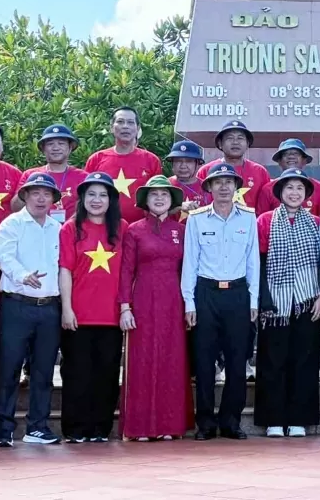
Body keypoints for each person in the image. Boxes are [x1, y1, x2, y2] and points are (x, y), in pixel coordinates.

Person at [182, 162, 259, 440]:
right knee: (204, 362)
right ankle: (205, 422)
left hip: (238, 294)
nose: (224, 187)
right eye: (218, 182)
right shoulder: (197, 219)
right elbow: (189, 263)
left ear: (236, 187)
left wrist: (254, 300)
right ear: (209, 188)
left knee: (238, 362)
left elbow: (253, 261)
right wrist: (189, 302)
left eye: (229, 182)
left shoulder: (248, 218)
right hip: (206, 294)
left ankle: (231, 421)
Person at [0, 172, 63, 446]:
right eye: (35, 193)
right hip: (17, 305)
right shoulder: (12, 224)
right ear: (25, 196)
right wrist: (23, 275)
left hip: (49, 308)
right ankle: (5, 429)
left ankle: (38, 426)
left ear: (54, 200)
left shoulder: (58, 228)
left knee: (44, 370)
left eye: (47, 194)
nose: (41, 198)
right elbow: (4, 256)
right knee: (9, 367)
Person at [119, 174, 191, 441]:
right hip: (143, 300)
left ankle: (169, 425)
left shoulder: (182, 230)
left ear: (172, 200)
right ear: (145, 201)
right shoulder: (134, 230)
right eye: (153, 194)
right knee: (142, 359)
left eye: (164, 194)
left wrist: (189, 305)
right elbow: (126, 271)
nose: (159, 198)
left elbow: (189, 269)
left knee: (172, 359)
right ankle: (139, 427)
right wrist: (125, 307)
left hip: (175, 299)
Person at [255, 170, 320, 437]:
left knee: (305, 360)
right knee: (273, 359)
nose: (294, 193)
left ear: (306, 194)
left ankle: (299, 418)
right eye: (289, 188)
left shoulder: (317, 222)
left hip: (308, 299)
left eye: (299, 188)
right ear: (280, 192)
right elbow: (258, 261)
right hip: (276, 303)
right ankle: (273, 418)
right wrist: (263, 298)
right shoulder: (265, 221)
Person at [58, 170, 123, 443]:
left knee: (107, 374)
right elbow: (64, 271)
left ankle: (100, 428)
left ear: (111, 200)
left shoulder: (122, 229)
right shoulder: (70, 229)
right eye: (91, 194)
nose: (97, 200)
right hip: (79, 315)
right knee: (76, 374)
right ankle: (75, 428)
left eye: (103, 195)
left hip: (111, 316)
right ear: (82, 198)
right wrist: (66, 308)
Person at [84, 106, 163, 225]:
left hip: (141, 229)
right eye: (120, 122)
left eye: (130, 122)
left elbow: (158, 196)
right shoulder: (96, 159)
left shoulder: (151, 160)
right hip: (104, 228)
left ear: (138, 129)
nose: (125, 126)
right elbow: (86, 196)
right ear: (111, 128)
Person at [18, 124, 87, 222]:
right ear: (43, 149)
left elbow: (88, 209)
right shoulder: (30, 175)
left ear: (70, 148)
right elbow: (15, 208)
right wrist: (27, 189)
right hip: (37, 231)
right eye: (50, 144)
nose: (56, 148)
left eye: (61, 143)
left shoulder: (83, 177)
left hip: (73, 233)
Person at [197, 120, 270, 210]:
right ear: (220, 144)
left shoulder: (260, 172)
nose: (235, 142)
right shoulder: (206, 170)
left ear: (247, 144)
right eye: (230, 138)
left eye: (240, 138)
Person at [256, 139, 320, 216]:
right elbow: (262, 220)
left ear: (304, 160)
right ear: (279, 161)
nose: (291, 157)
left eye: (296, 154)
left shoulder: (319, 188)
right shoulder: (268, 189)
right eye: (286, 154)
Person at [166, 139, 209, 216]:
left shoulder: (208, 188)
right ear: (172, 164)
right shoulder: (163, 186)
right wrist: (178, 207)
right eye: (178, 161)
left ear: (198, 164)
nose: (183, 166)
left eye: (189, 161)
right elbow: (153, 214)